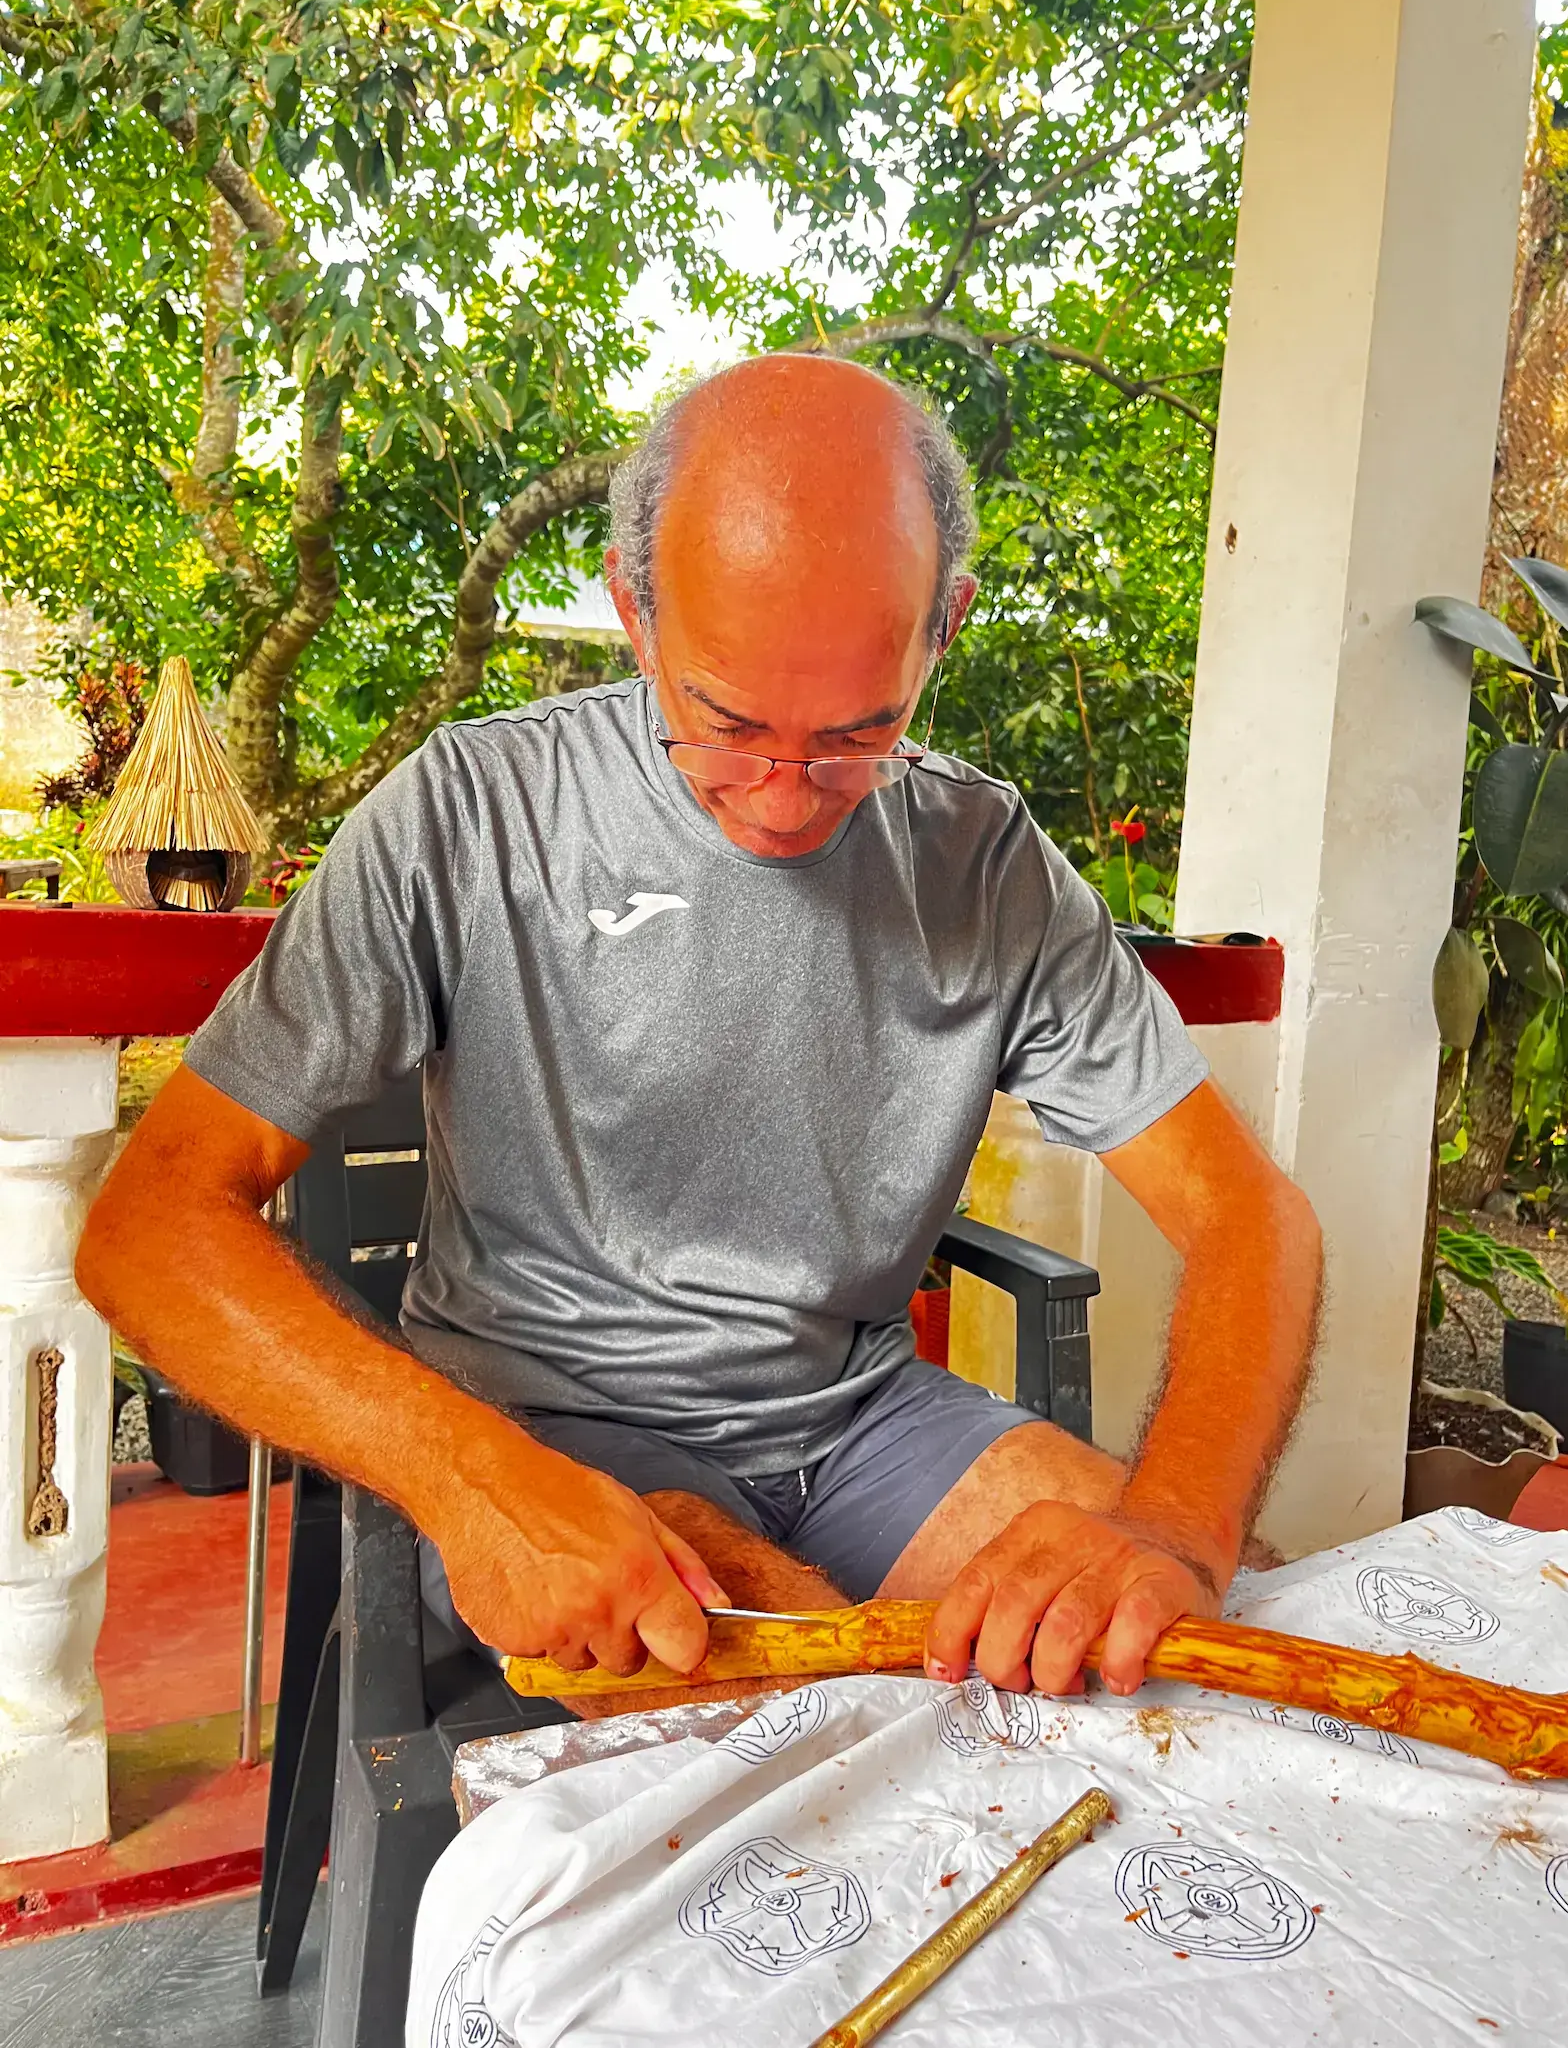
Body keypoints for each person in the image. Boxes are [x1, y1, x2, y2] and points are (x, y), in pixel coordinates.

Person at [77, 354, 1321, 1707]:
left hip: (866, 1427)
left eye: (860, 735)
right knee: (799, 1715)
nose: (784, 803)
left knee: (1199, 1655)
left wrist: (1172, 1531)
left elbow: (1249, 1216)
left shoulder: (986, 866)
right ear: (633, 610)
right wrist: (472, 1475)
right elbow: (151, 1226)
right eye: (723, 726)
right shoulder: (473, 819)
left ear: (943, 627)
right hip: (548, 1431)